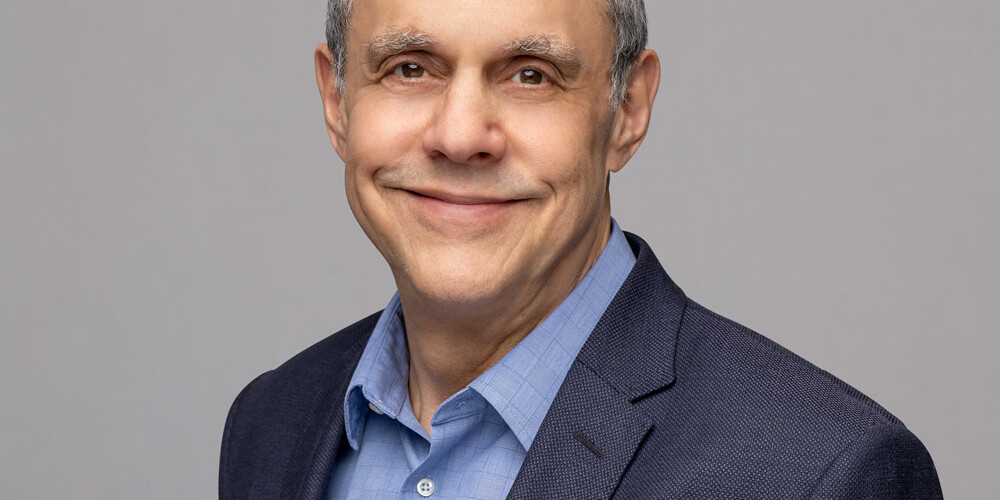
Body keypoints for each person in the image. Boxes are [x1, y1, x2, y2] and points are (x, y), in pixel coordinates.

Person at [219, 0, 943, 498]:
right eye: (411, 68)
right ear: (338, 102)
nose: (461, 135)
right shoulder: (271, 425)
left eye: (531, 74)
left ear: (627, 110)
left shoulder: (820, 474)